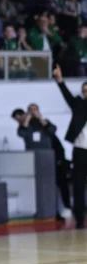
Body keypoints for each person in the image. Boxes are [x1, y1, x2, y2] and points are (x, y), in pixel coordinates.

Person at [53, 65, 87, 229]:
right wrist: (60, 80)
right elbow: (67, 96)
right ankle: (79, 219)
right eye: (85, 90)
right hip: (80, 151)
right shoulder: (79, 105)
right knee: (78, 186)